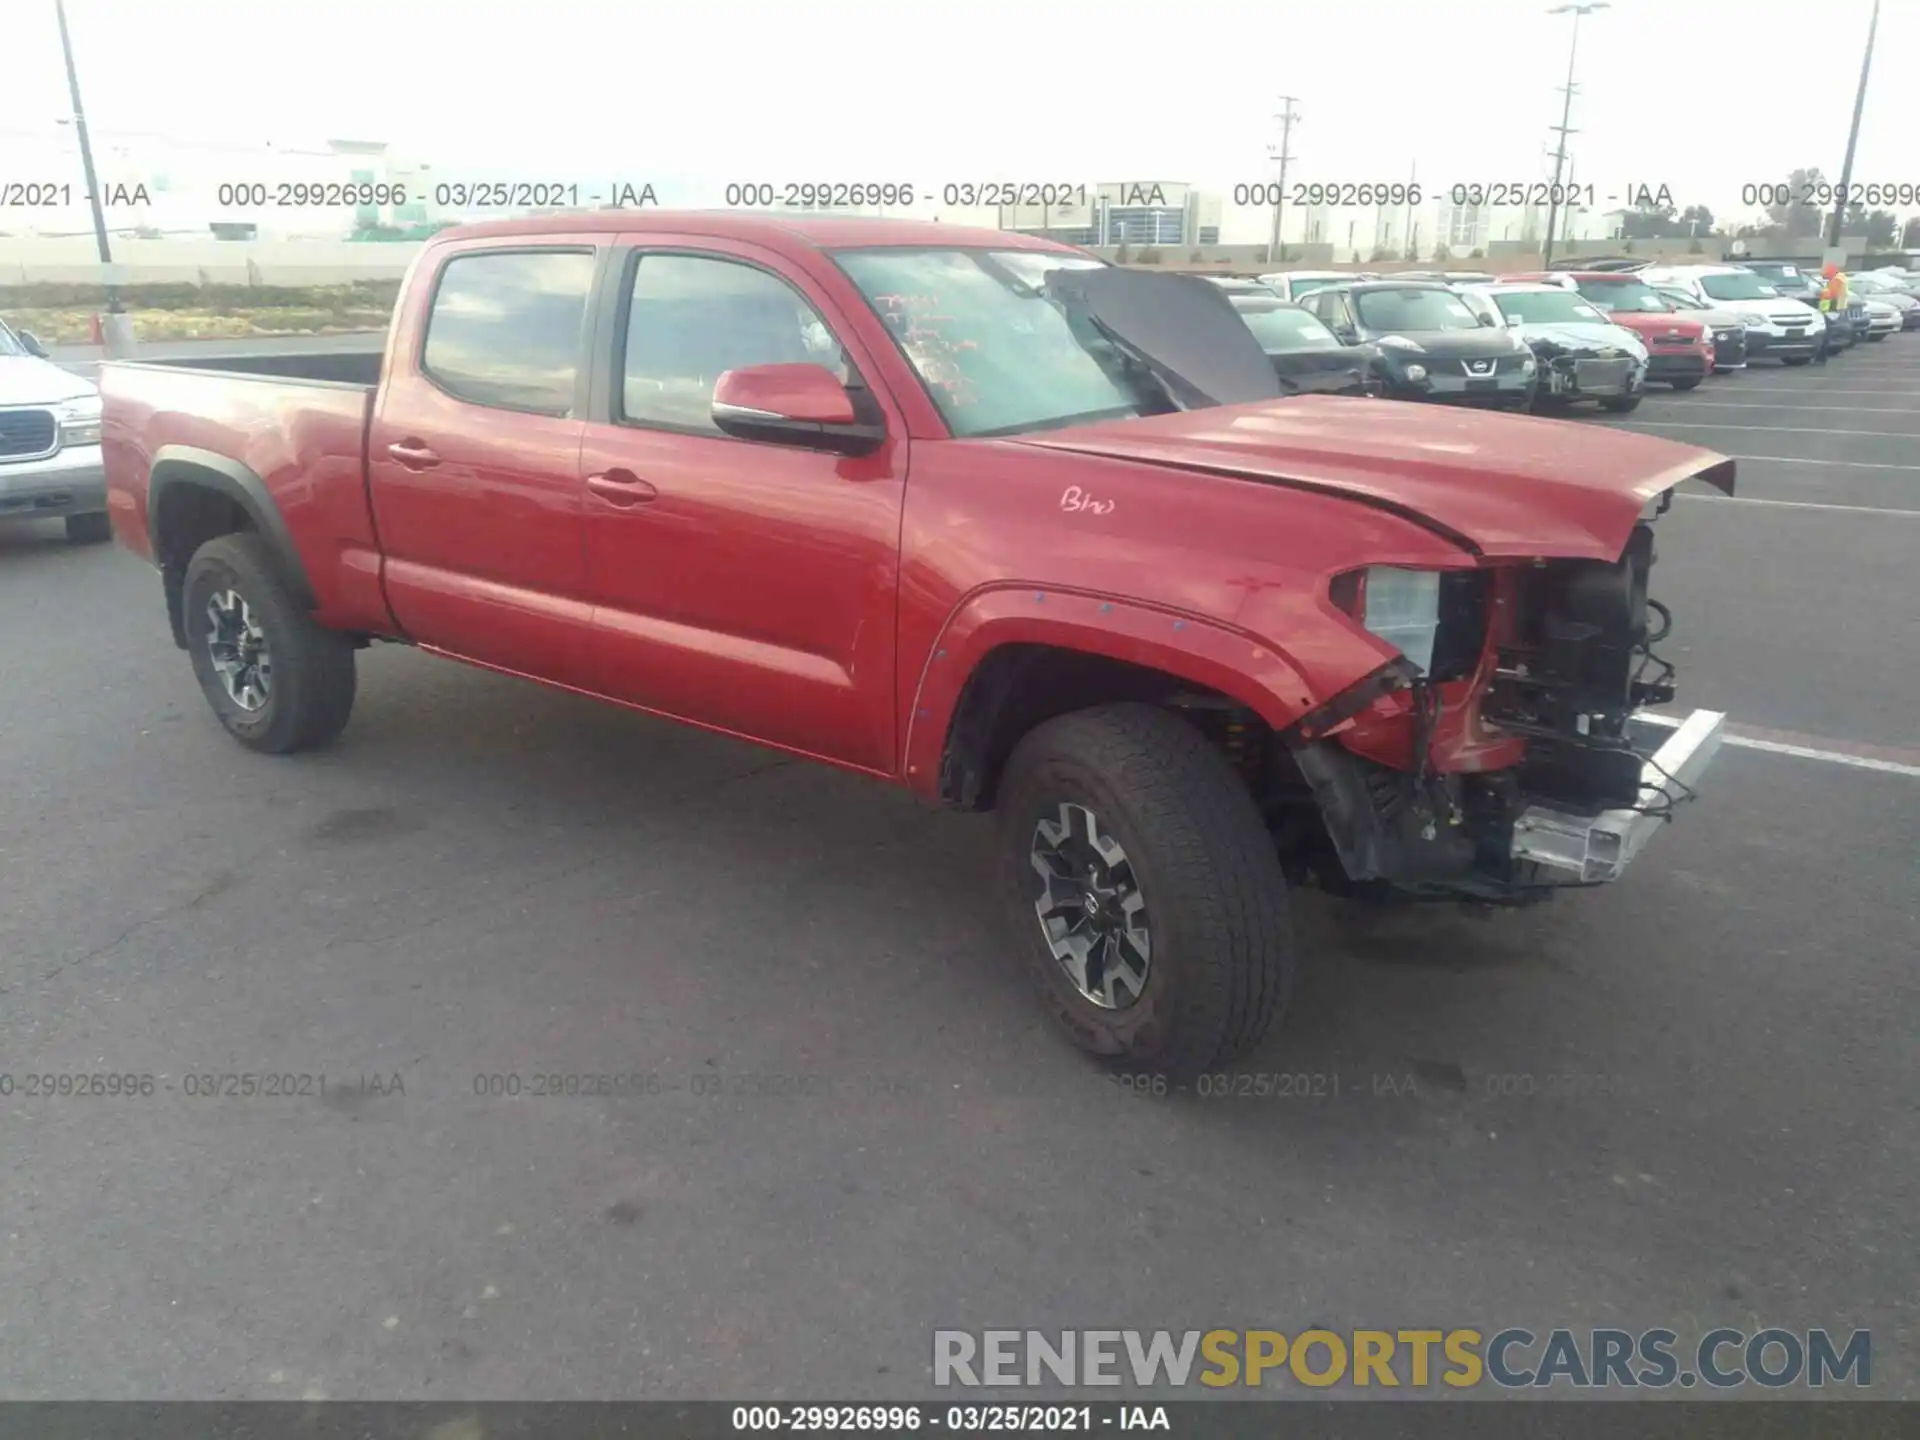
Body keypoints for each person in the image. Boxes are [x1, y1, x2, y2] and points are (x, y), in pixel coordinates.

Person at [1815, 263, 1848, 363]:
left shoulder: (1836, 280)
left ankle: (1821, 358)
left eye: (1826, 274)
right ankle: (1822, 357)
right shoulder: (1841, 278)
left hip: (1830, 310)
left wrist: (1821, 293)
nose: (1825, 277)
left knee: (1825, 335)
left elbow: (1831, 294)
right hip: (1836, 309)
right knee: (1828, 334)